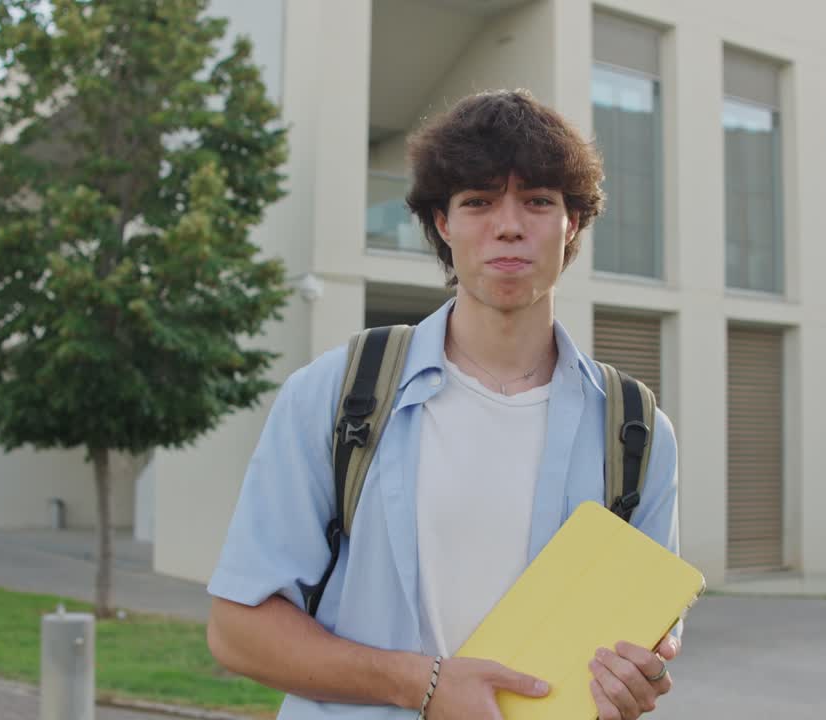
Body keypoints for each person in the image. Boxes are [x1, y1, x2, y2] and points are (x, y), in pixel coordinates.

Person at [206, 89, 681, 720]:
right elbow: (238, 631)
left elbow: (652, 641)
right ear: (442, 222)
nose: (508, 224)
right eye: (478, 201)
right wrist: (423, 685)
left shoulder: (636, 430)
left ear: (573, 223)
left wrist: (639, 677)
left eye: (538, 200)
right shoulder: (339, 395)